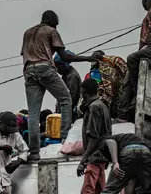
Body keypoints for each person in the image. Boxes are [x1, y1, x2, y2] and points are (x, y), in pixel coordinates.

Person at [20, 10, 102, 160]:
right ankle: (65, 139)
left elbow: (24, 54)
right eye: (56, 24)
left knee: (33, 113)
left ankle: (34, 152)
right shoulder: (50, 31)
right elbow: (65, 56)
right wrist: (89, 58)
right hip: (44, 67)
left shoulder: (27, 33)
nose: (57, 28)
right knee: (66, 100)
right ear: (50, 20)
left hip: (28, 70)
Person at [77, 78, 112, 194]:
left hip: (94, 157)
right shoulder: (103, 106)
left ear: (83, 92)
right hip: (102, 158)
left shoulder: (93, 108)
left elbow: (93, 138)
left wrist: (83, 161)